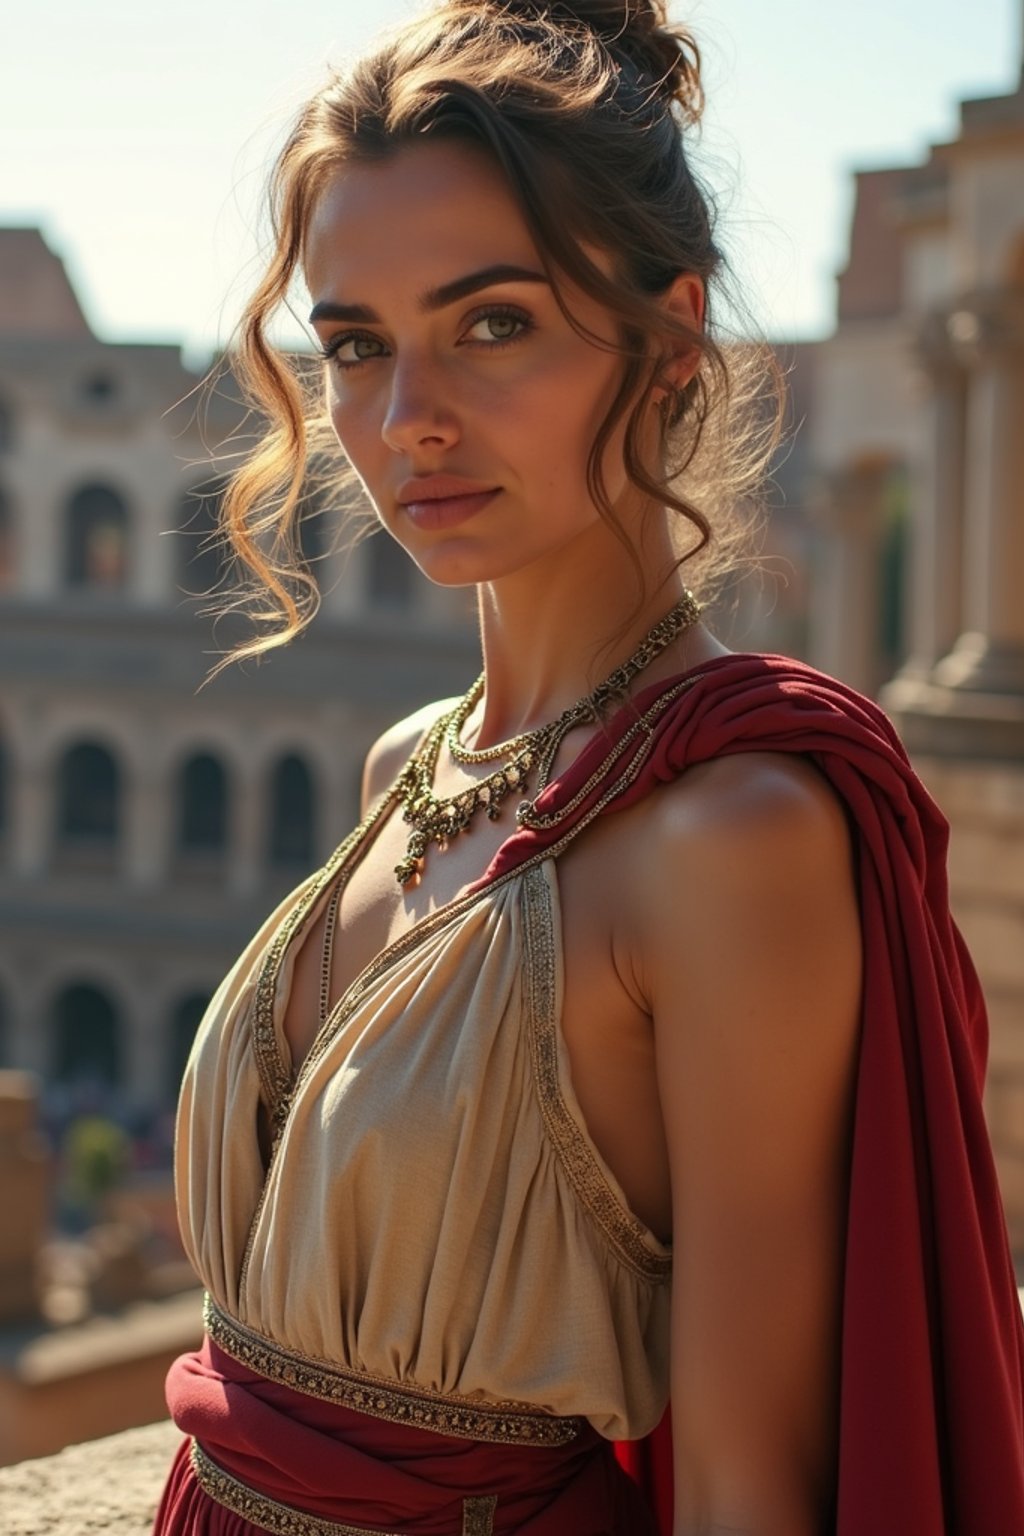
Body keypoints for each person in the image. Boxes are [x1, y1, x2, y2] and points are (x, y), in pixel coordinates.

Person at [153, 3, 1024, 1533]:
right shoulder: (402, 770)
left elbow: (755, 1487)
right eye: (357, 346)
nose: (406, 421)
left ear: (670, 336)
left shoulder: (733, 836)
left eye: (494, 323)